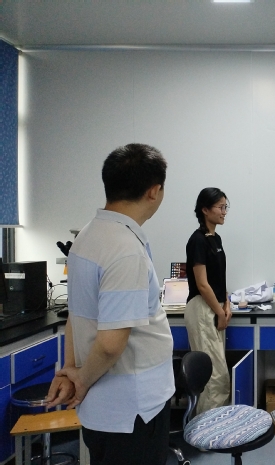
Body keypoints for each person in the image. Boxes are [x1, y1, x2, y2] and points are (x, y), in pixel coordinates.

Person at [46, 143, 175, 465]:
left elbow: (76, 316)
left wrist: (71, 370)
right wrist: (79, 380)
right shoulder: (125, 249)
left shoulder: (86, 238)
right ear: (154, 191)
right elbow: (110, 344)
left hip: (104, 409)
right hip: (133, 410)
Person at [184, 187, 232, 413]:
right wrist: (220, 312)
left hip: (215, 307)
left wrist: (227, 303)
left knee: (219, 372)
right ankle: (207, 426)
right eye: (220, 207)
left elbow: (218, 278)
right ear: (205, 210)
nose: (224, 212)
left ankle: (216, 422)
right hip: (203, 309)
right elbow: (202, 284)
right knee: (213, 376)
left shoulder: (216, 239)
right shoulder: (198, 241)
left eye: (225, 207)